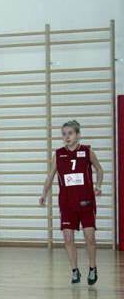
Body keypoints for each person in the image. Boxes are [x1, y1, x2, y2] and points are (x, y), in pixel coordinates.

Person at [39, 120, 103, 285]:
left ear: (77, 134)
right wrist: (44, 192)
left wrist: (98, 186)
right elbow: (50, 176)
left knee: (90, 237)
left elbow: (99, 169)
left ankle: (92, 267)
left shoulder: (87, 151)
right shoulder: (58, 154)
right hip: (67, 203)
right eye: (64, 134)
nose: (67, 137)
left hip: (86, 201)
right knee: (68, 239)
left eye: (70, 133)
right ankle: (75, 270)